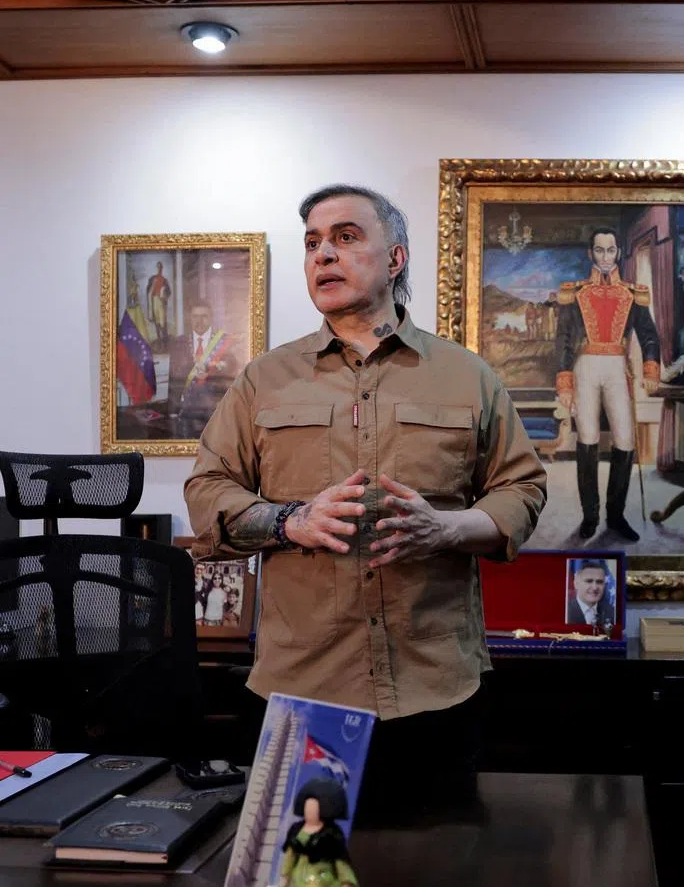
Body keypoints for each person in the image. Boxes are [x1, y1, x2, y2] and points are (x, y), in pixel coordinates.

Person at [184, 183, 547, 800]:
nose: (323, 254)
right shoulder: (263, 382)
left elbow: (524, 489)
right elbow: (206, 489)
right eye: (312, 244)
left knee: (438, 884)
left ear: (396, 257)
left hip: (435, 692)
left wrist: (447, 529)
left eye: (345, 237)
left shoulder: (467, 376)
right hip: (302, 693)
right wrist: (288, 521)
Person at [555, 228, 660, 542]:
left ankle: (615, 516)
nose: (605, 257)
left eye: (610, 250)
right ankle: (590, 516)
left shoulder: (633, 293)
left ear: (618, 253)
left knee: (625, 439)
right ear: (591, 253)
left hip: (617, 367)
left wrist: (650, 368)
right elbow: (562, 340)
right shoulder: (574, 292)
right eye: (599, 251)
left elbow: (650, 335)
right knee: (586, 438)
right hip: (585, 367)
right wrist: (564, 382)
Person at [168, 301, 240, 439]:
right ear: (190, 318)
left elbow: (232, 369)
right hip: (186, 410)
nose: (199, 321)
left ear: (211, 318)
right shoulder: (179, 343)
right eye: (195, 316)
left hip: (215, 409)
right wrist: (172, 411)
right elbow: (173, 378)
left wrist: (211, 369)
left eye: (204, 316)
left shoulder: (225, 342)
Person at [566, 559, 615, 631]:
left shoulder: (611, 612)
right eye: (589, 581)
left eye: (599, 582)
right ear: (576, 583)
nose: (595, 588)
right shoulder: (566, 610)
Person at [146, 260, 172, 345]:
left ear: (162, 268)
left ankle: (164, 340)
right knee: (156, 321)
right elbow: (148, 290)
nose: (159, 268)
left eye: (160, 267)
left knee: (162, 321)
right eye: (158, 267)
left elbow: (169, 292)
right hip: (154, 301)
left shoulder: (164, 280)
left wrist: (163, 294)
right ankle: (159, 339)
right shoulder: (152, 279)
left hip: (161, 301)